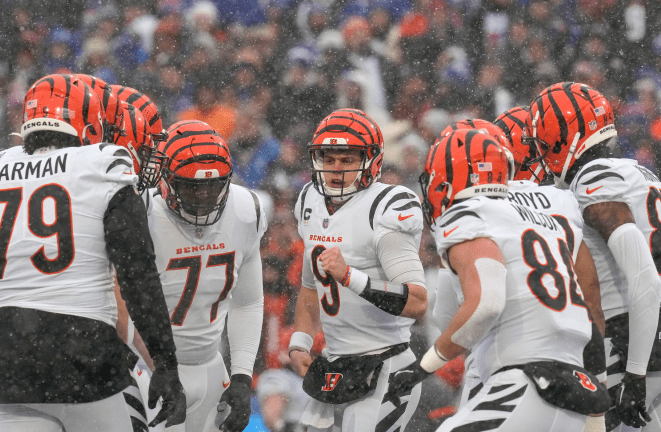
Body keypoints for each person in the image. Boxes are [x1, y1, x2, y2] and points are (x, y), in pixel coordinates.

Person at [0, 74, 186, 432]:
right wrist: (166, 364)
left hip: (6, 359)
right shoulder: (103, 164)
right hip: (82, 354)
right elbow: (138, 278)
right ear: (87, 122)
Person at [390, 128, 608, 431]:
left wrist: (422, 367)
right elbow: (590, 306)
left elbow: (486, 305)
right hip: (577, 386)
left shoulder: (469, 213)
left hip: (526, 380)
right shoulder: (547, 217)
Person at [525, 81, 661, 431]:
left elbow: (643, 277)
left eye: (544, 142)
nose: (542, 153)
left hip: (631, 347)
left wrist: (635, 373)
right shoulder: (638, 172)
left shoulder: (595, 179)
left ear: (564, 136)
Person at [288, 108, 428, 431]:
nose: (336, 169)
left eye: (348, 159)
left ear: (371, 161)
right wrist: (299, 342)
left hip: (386, 363)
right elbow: (312, 287)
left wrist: (351, 277)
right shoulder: (309, 200)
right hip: (335, 365)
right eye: (329, 158)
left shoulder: (385, 207)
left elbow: (418, 302)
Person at [135, 120, 266, 432]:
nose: (204, 196)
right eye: (192, 187)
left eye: (213, 186)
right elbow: (119, 306)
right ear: (165, 180)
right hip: (147, 369)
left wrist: (242, 378)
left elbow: (247, 302)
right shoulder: (141, 213)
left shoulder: (245, 208)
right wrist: (160, 369)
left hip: (210, 367)